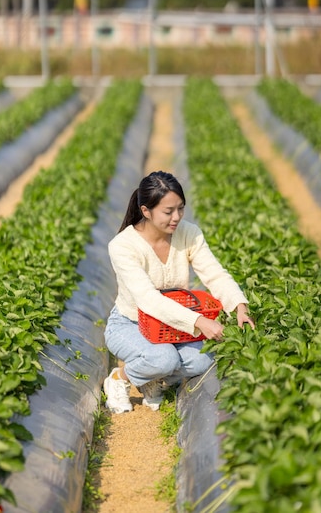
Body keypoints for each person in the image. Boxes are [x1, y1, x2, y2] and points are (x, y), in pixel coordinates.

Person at [103, 171, 255, 414]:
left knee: (203, 360)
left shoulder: (188, 233)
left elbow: (214, 273)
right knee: (164, 359)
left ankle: (154, 379)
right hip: (131, 323)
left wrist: (239, 306)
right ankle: (120, 378)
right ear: (146, 211)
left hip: (172, 326)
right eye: (168, 211)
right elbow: (148, 300)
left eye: (180, 209)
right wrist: (198, 321)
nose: (177, 218)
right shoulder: (122, 246)